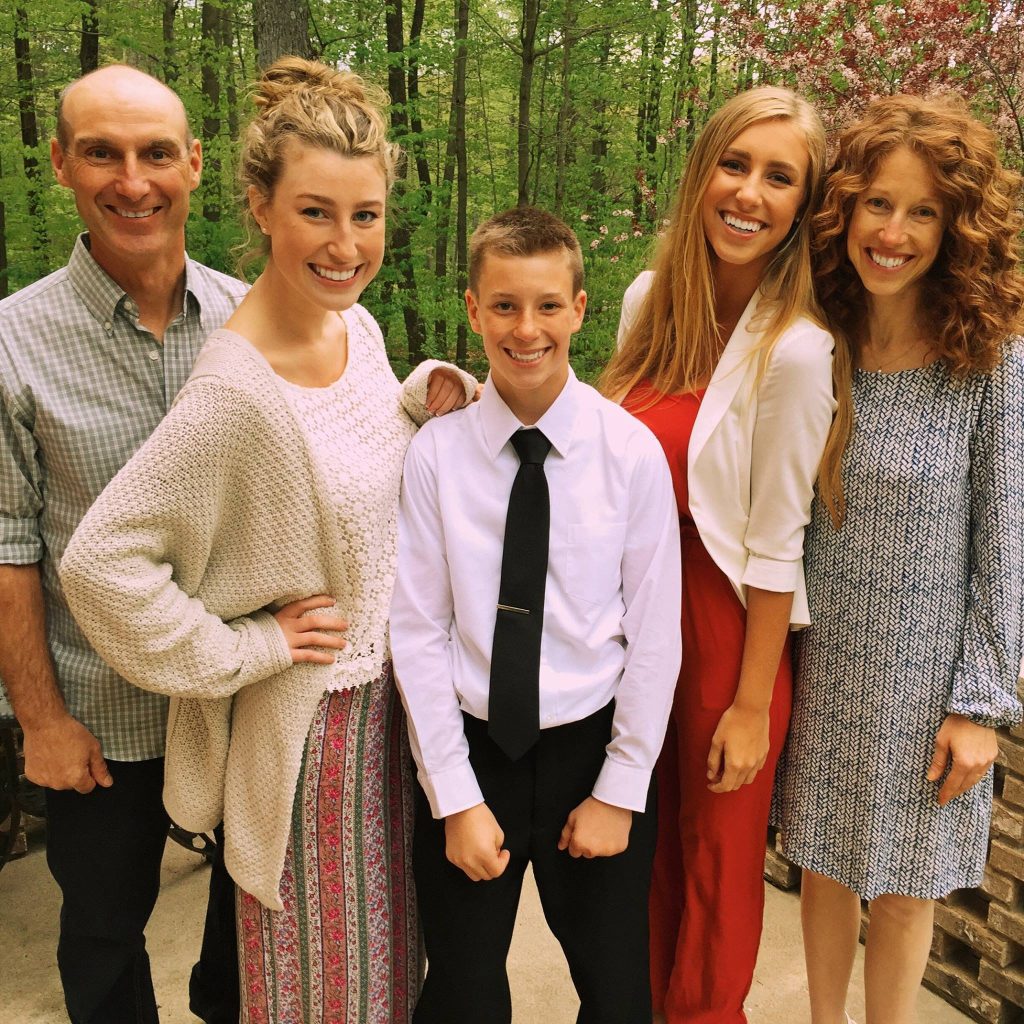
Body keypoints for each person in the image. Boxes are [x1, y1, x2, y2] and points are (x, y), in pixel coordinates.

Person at [59, 57, 476, 1024]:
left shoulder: (357, 330)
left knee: (383, 980)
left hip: (392, 713)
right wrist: (251, 646)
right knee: (319, 996)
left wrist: (419, 400)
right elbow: (100, 564)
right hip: (314, 739)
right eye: (316, 213)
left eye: (364, 215)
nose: (345, 243)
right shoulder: (234, 392)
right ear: (259, 206)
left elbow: (346, 468)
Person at [389, 206, 682, 1024]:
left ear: (580, 309)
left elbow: (655, 637)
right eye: (506, 306)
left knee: (618, 985)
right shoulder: (437, 458)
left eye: (549, 305)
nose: (528, 328)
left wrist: (621, 787)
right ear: (474, 310)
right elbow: (417, 630)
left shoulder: (629, 455)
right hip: (472, 749)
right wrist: (453, 793)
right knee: (462, 987)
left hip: (589, 749)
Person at [0, 64, 245, 1024]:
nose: (131, 180)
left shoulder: (252, 320)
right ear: (62, 163)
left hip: (241, 691)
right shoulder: (14, 342)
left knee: (249, 919)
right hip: (99, 714)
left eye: (154, 153)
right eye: (101, 152)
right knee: (103, 931)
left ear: (193, 164)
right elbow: (10, 545)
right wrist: (41, 722)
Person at [774, 94, 1024, 1024]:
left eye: (924, 211)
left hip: (928, 679)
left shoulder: (988, 360)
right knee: (826, 863)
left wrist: (980, 704)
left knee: (906, 887)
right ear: (843, 208)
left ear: (957, 227)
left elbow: (1008, 540)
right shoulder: (813, 341)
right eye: (878, 203)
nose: (895, 231)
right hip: (824, 660)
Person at [602, 86, 835, 1024]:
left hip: (726, 635)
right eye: (735, 165)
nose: (749, 193)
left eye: (780, 177)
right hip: (633, 627)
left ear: (805, 205)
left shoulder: (798, 351)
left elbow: (779, 546)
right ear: (702, 174)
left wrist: (749, 706)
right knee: (639, 860)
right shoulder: (647, 303)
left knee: (714, 880)